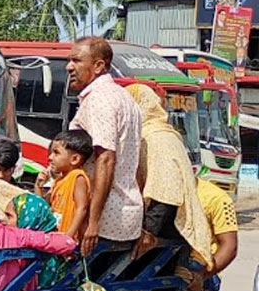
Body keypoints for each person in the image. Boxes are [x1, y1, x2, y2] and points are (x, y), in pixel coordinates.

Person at [66, 36, 143, 255]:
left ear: (99, 66)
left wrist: (93, 222)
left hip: (104, 221)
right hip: (124, 215)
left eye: (76, 60)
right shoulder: (124, 97)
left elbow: (106, 158)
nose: (69, 67)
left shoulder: (100, 99)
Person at [126, 84, 213, 264]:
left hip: (166, 232)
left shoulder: (155, 137)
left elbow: (166, 191)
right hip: (169, 229)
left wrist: (148, 232)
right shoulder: (161, 132)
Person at [12, 192, 69, 291]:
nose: (3, 220)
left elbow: (68, 242)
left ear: (28, 218)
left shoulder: (46, 256)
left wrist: (23, 237)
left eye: (9, 215)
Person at [34, 129, 92, 241]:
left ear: (75, 159)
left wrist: (68, 236)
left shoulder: (77, 177)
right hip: (55, 236)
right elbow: (44, 206)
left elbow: (82, 208)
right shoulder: (59, 181)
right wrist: (38, 186)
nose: (50, 157)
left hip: (67, 240)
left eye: (56, 153)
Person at [197, 177, 238, 275]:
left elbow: (230, 246)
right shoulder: (162, 194)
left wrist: (201, 276)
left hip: (202, 267)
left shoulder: (217, 198)